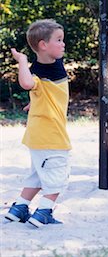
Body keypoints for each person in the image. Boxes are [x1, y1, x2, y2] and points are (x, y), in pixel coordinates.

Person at [5, 19, 71, 227]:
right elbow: (27, 83)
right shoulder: (43, 68)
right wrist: (22, 61)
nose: (63, 44)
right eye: (58, 40)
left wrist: (35, 102)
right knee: (59, 176)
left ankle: (19, 208)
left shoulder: (51, 64)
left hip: (38, 135)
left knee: (37, 174)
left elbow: (43, 91)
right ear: (43, 45)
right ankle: (44, 211)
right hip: (50, 136)